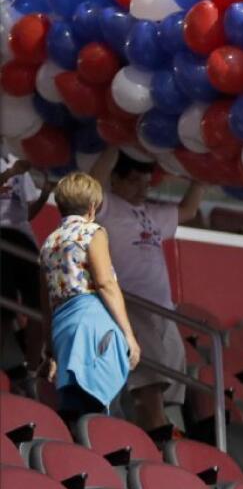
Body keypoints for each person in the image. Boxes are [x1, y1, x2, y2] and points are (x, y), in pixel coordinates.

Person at [90, 146, 204, 437]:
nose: (142, 188)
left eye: (146, 182)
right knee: (148, 375)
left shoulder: (152, 213)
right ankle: (158, 429)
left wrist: (201, 178)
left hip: (164, 308)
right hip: (131, 302)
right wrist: (114, 145)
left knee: (171, 370)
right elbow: (93, 184)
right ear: (116, 180)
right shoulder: (107, 207)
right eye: (133, 181)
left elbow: (188, 210)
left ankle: (152, 431)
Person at [38, 172, 140, 425]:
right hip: (93, 322)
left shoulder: (49, 243)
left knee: (76, 408)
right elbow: (105, 283)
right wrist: (129, 335)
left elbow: (45, 303)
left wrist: (50, 350)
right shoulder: (92, 232)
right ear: (93, 207)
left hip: (63, 327)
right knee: (105, 404)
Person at [1, 154, 53, 373]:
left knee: (41, 303)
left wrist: (45, 194)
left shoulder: (14, 155)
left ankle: (31, 370)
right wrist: (10, 174)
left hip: (23, 237)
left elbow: (25, 213)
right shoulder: (15, 166)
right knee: (5, 304)